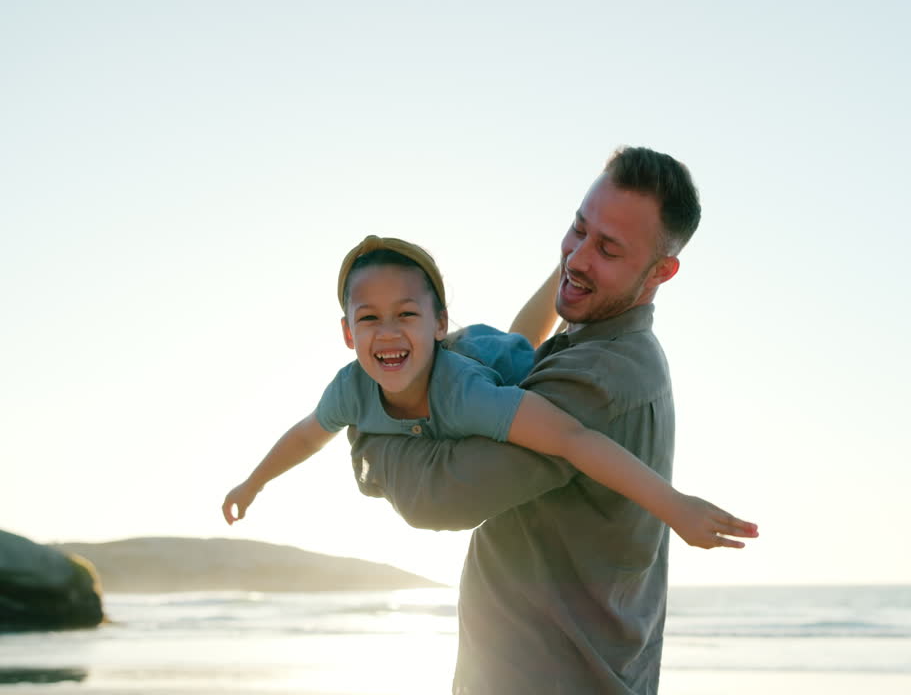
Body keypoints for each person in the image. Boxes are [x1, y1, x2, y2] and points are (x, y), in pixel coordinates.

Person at [350, 146, 739, 694]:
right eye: (578, 228)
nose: (578, 257)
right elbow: (518, 351)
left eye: (607, 248)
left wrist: (370, 414)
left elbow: (437, 496)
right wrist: (577, 266)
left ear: (660, 272)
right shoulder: (592, 337)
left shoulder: (598, 376)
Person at [221, 234, 756, 552]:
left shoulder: (465, 395)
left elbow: (571, 437)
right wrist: (253, 483)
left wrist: (674, 507)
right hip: (466, 358)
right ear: (347, 334)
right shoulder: (351, 390)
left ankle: (567, 265)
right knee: (518, 337)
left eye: (406, 314)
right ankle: (562, 262)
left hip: (491, 362)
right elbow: (306, 435)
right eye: (369, 319)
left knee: (525, 349)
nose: (387, 333)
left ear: (437, 322)